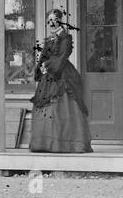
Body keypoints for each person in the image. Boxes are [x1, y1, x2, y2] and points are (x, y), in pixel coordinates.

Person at [29, 9, 92, 153]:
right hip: (48, 75)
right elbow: (43, 55)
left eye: (54, 19)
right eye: (49, 20)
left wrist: (48, 66)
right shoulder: (49, 39)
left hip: (62, 73)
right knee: (47, 107)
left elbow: (63, 56)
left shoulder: (66, 38)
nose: (51, 22)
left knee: (62, 109)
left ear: (60, 21)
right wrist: (40, 67)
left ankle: (64, 144)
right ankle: (45, 144)